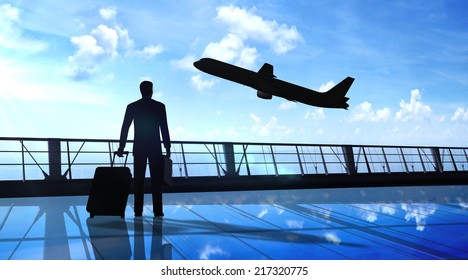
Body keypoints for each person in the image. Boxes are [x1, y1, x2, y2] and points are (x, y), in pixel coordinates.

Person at [117, 81, 171, 217]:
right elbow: (164, 127)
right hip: (155, 148)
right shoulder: (159, 106)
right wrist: (167, 146)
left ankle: (138, 210)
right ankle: (158, 210)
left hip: (139, 147)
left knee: (138, 181)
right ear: (151, 90)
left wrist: (121, 147)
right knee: (156, 180)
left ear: (140, 90)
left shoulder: (132, 106)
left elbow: (125, 128)